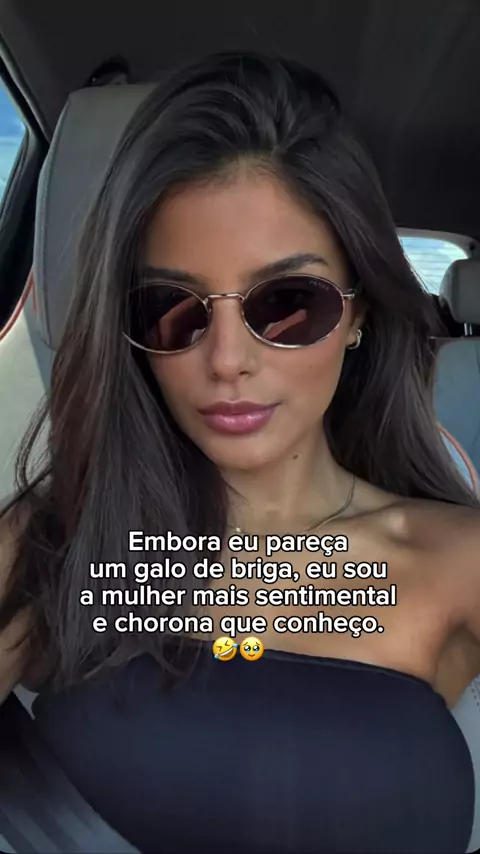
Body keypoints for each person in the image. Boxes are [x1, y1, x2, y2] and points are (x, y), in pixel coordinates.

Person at [0, 50, 479, 854]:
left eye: (287, 304)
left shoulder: (459, 559)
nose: (226, 361)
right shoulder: (55, 542)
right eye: (171, 309)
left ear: (359, 313)